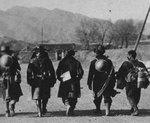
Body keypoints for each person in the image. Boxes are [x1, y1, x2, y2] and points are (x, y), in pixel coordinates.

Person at [87, 45, 118, 116]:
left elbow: (90, 74)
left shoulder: (93, 62)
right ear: (103, 52)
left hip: (96, 81)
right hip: (107, 81)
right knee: (107, 96)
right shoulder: (109, 61)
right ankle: (107, 110)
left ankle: (98, 110)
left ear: (95, 52)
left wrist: (89, 83)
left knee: (97, 96)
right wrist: (113, 82)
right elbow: (112, 73)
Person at [116, 50, 149, 116]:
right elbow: (146, 72)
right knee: (137, 96)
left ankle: (135, 109)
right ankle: (133, 108)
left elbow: (120, 72)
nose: (127, 56)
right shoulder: (140, 63)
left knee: (129, 96)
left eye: (128, 55)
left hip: (129, 82)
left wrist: (117, 76)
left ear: (130, 56)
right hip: (139, 81)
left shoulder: (126, 63)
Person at [27, 45, 56, 117]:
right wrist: (53, 80)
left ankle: (40, 111)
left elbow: (29, 72)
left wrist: (30, 80)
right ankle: (42, 109)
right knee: (44, 96)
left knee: (38, 97)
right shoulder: (48, 60)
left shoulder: (32, 61)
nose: (38, 53)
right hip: (45, 80)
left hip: (36, 81)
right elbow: (52, 71)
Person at [56, 49, 84, 116]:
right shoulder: (76, 62)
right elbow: (81, 72)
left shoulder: (62, 61)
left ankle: (67, 105)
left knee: (64, 95)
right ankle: (71, 109)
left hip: (65, 79)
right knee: (74, 96)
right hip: (74, 80)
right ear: (73, 54)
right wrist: (78, 78)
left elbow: (58, 71)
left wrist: (60, 78)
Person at [0, 45, 23, 117]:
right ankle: (10, 109)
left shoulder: (8, 58)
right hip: (10, 79)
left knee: (7, 95)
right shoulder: (9, 58)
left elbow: (18, 68)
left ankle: (9, 109)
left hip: (8, 79)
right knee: (13, 95)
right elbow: (19, 68)